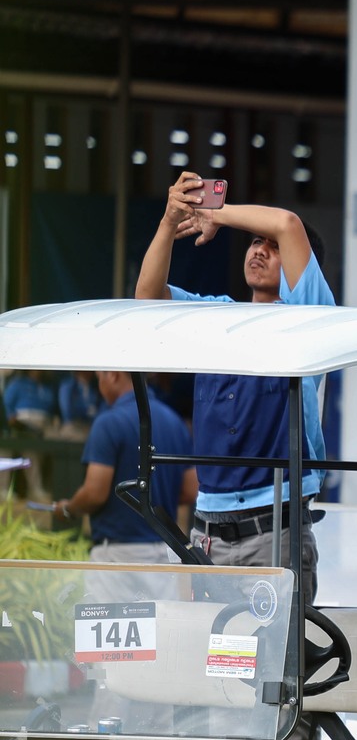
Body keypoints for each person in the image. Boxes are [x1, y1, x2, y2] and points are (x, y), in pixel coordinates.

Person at [134, 172, 334, 599]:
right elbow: (146, 300)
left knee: (279, 646)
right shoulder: (215, 317)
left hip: (276, 529)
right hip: (208, 533)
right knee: (212, 645)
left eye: (272, 248)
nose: (259, 250)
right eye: (255, 243)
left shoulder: (309, 318)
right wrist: (170, 221)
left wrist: (216, 214)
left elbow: (288, 224)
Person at [55, 371, 197, 567]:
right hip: (166, 551)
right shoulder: (174, 421)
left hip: (118, 555)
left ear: (113, 375)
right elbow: (190, 490)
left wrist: (69, 508)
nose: (99, 385)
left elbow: (95, 494)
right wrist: (158, 493)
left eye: (100, 378)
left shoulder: (108, 423)